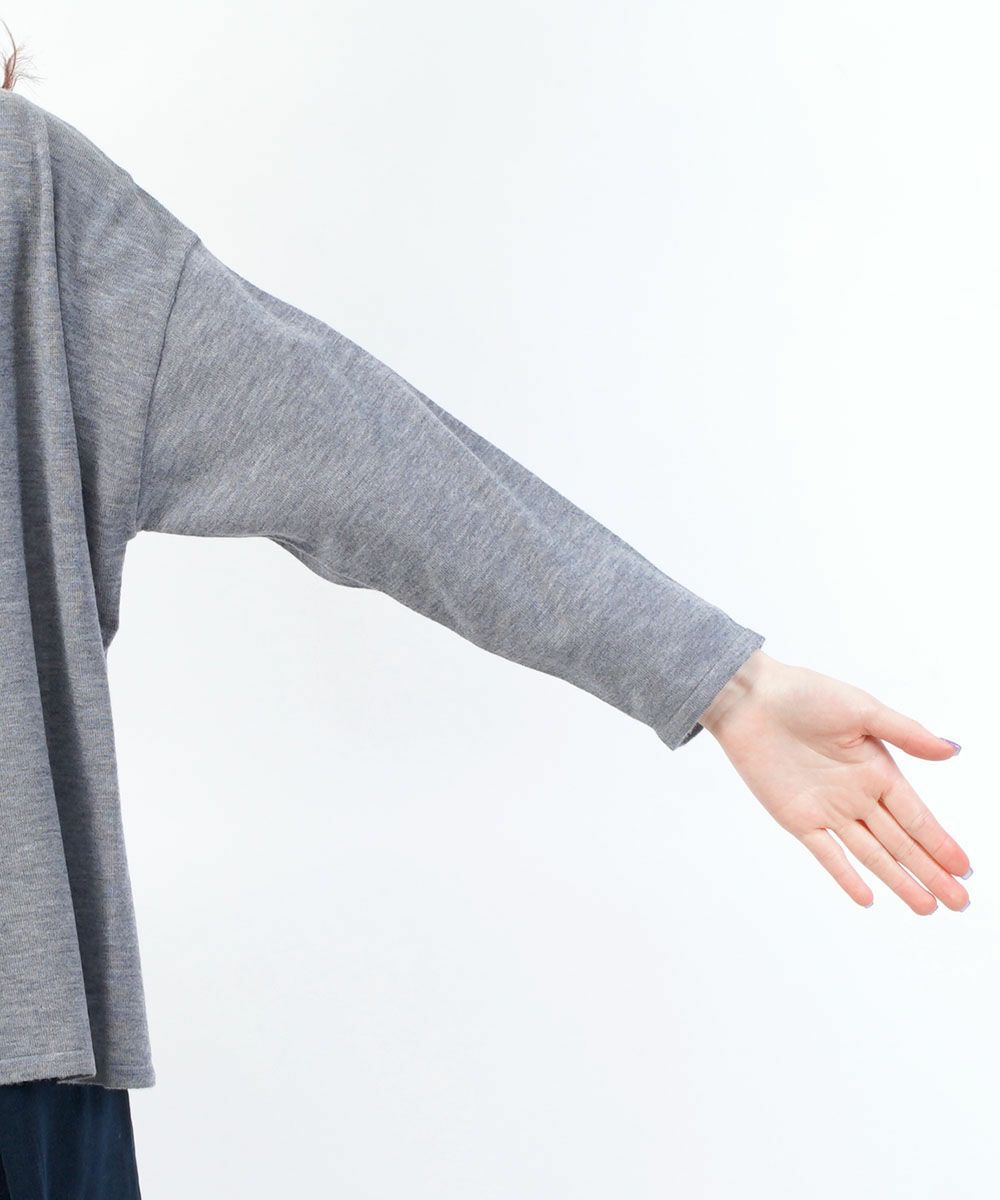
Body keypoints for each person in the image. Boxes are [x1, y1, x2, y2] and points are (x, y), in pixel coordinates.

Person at [0, 38, 972, 1200]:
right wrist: (726, 681)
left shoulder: (26, 198)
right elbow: (355, 449)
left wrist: (722, 679)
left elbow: (353, 449)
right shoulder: (21, 189)